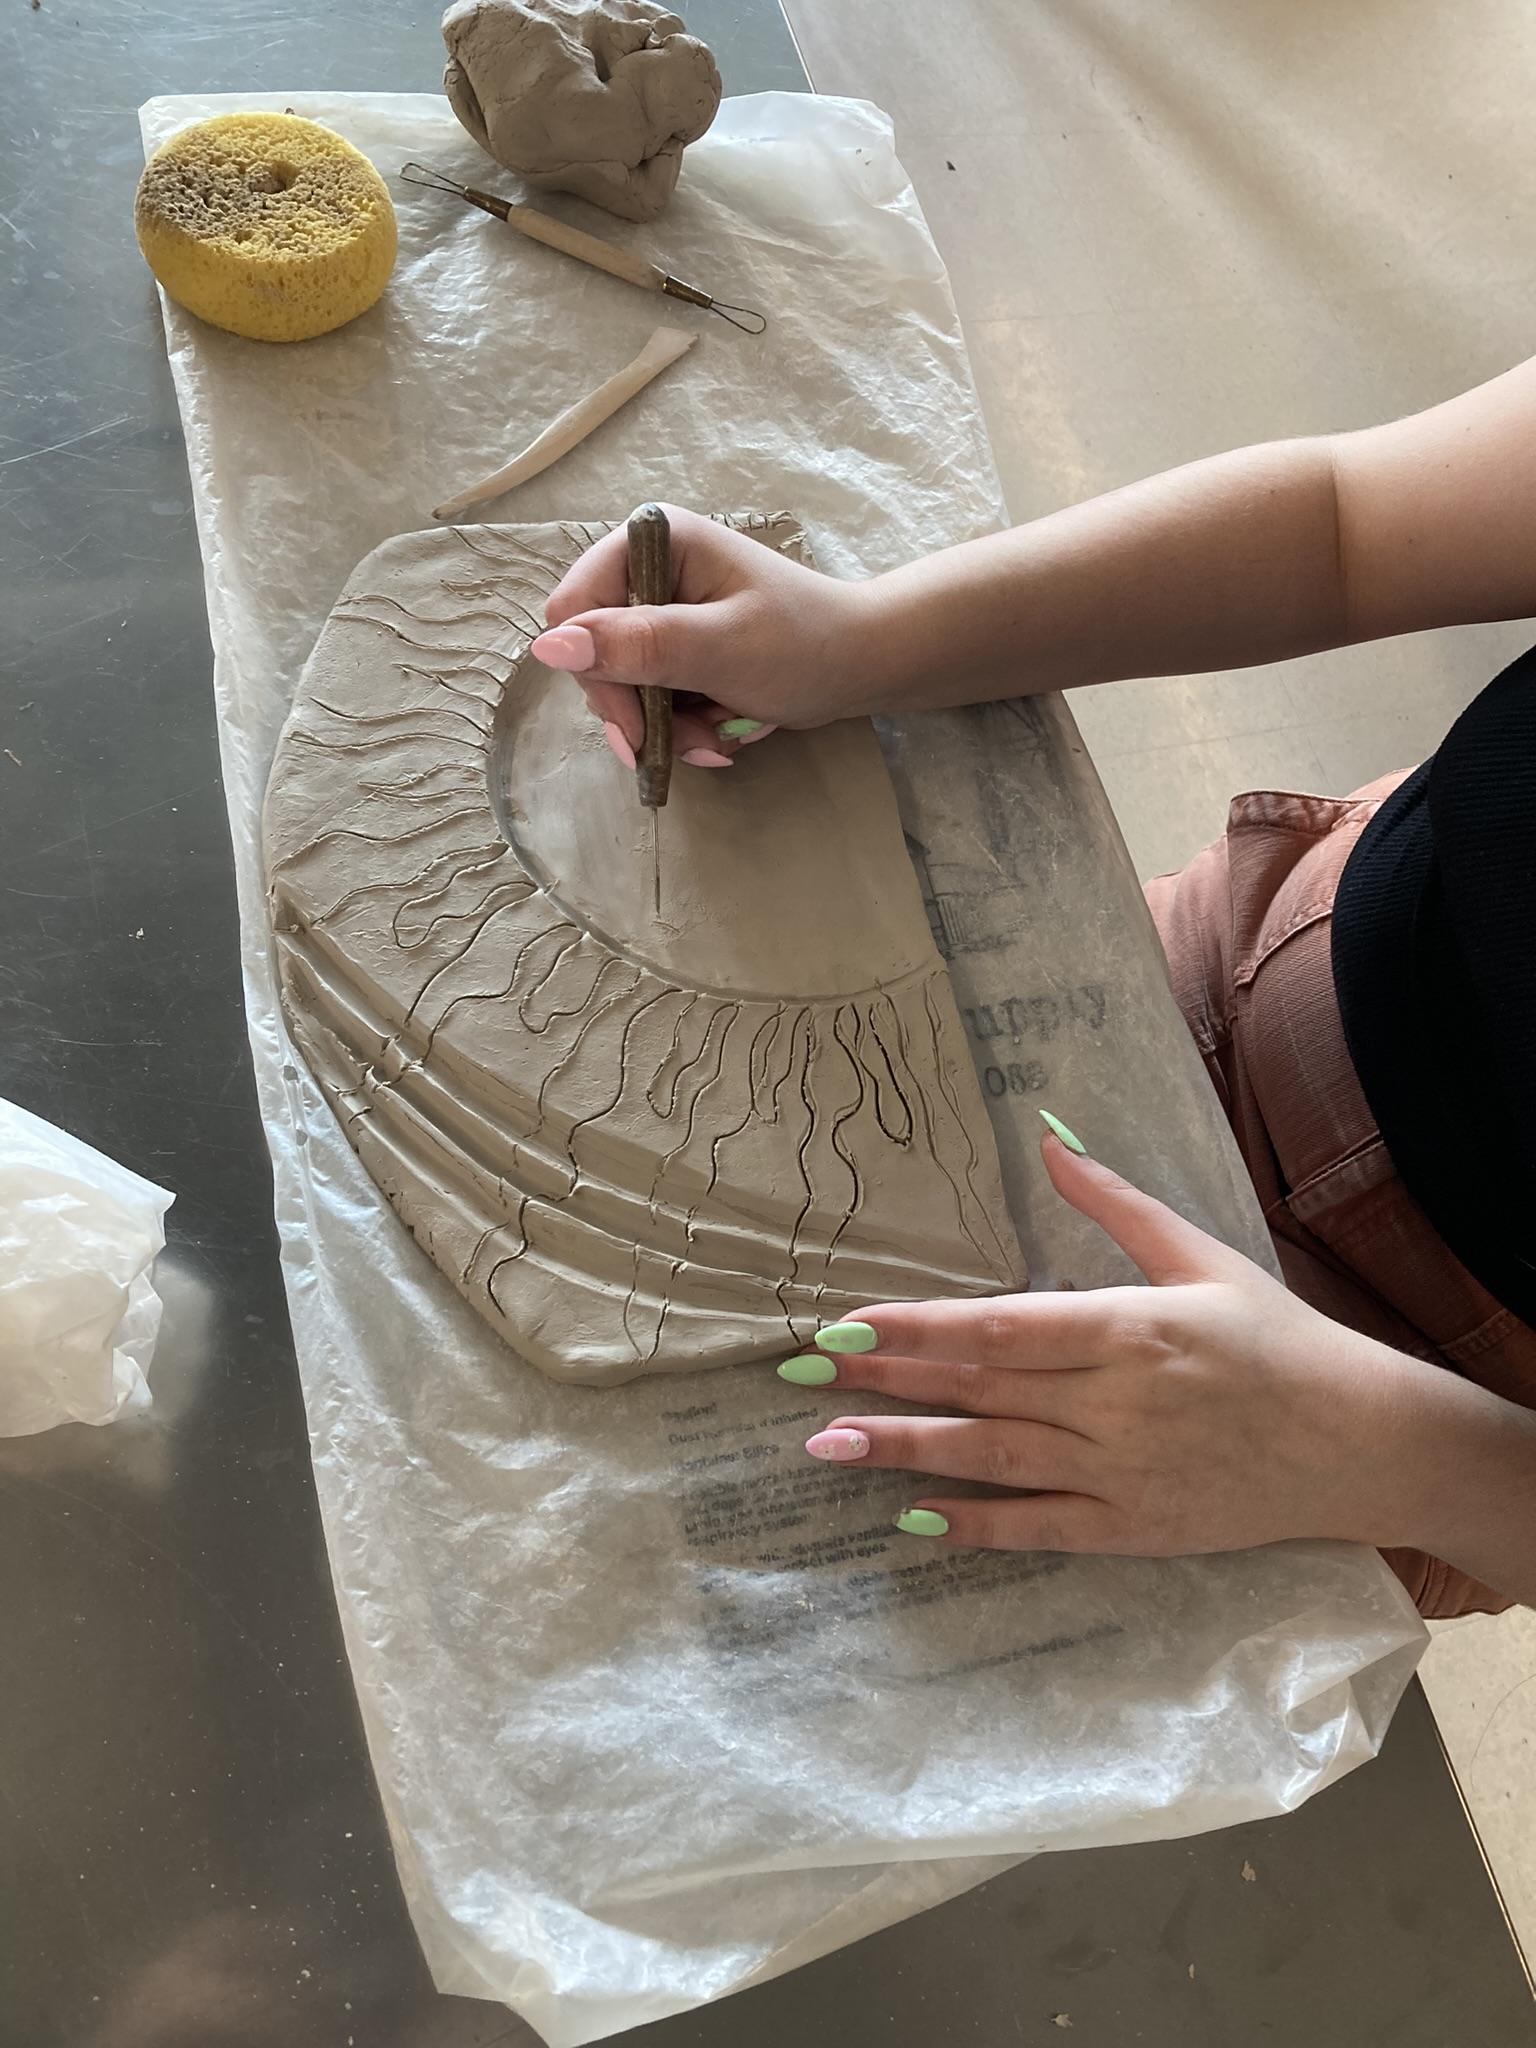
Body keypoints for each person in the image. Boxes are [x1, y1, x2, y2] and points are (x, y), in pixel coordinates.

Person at [529, 357, 1536, 1618]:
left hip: (1422, 1386)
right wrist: (862, 637)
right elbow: (1346, 521)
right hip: (1280, 944)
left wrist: (1392, 1453)